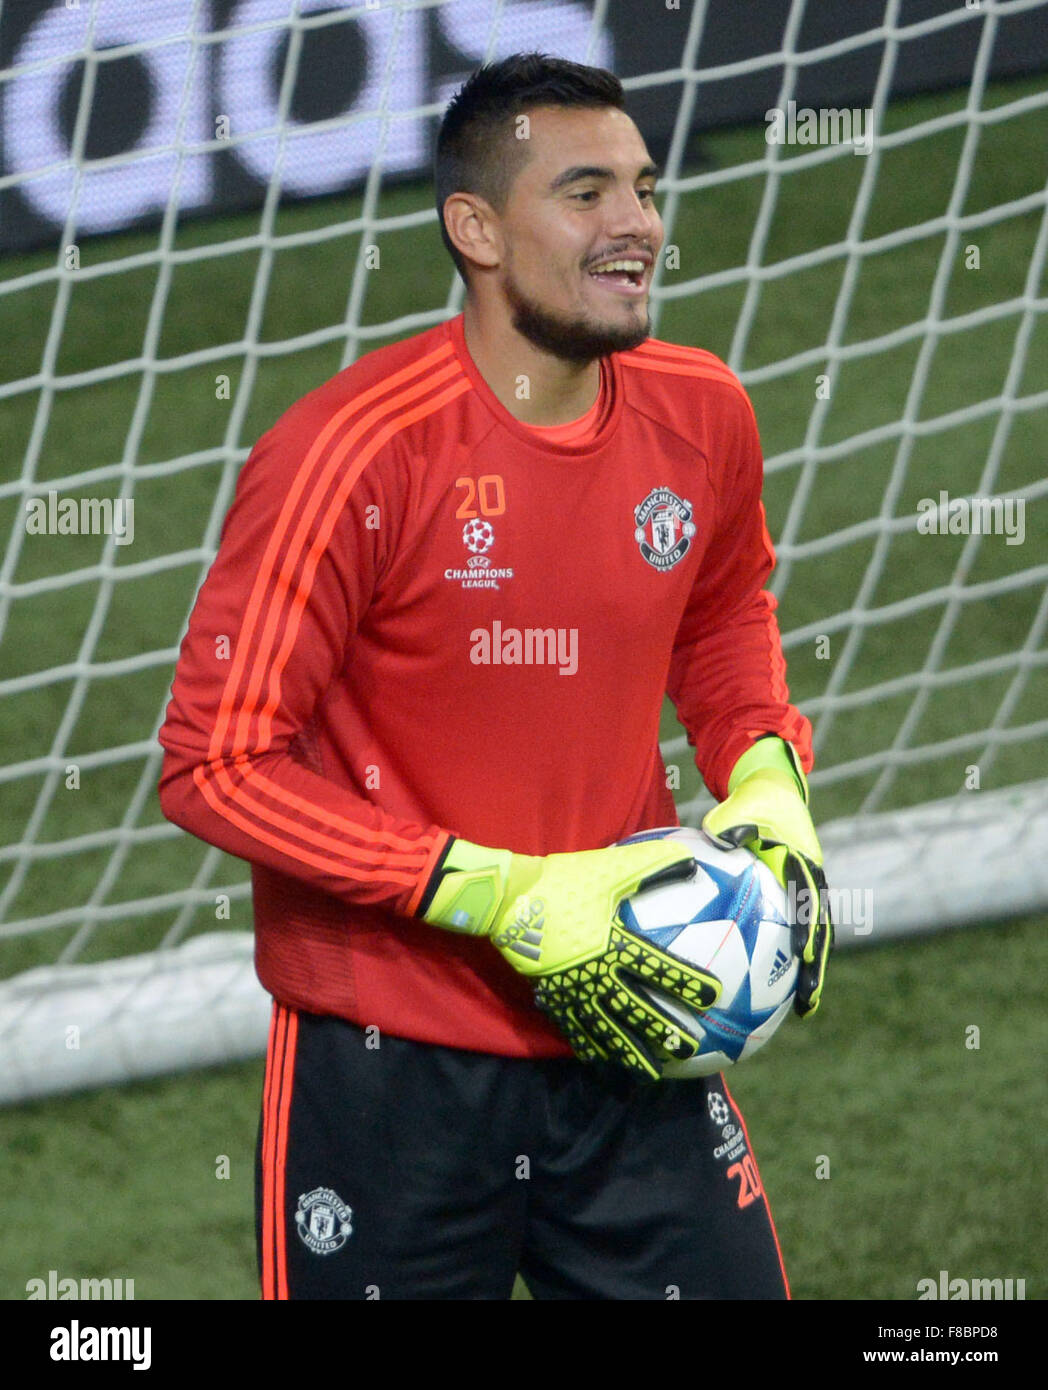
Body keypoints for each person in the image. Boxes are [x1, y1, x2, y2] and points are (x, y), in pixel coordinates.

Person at [158, 52, 831, 1301]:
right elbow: (214, 765)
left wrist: (765, 775)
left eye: (642, 187)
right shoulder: (348, 455)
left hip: (638, 1017)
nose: (636, 225)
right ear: (474, 228)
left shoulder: (703, 413)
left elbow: (723, 605)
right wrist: (494, 890)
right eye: (585, 193)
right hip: (389, 1065)